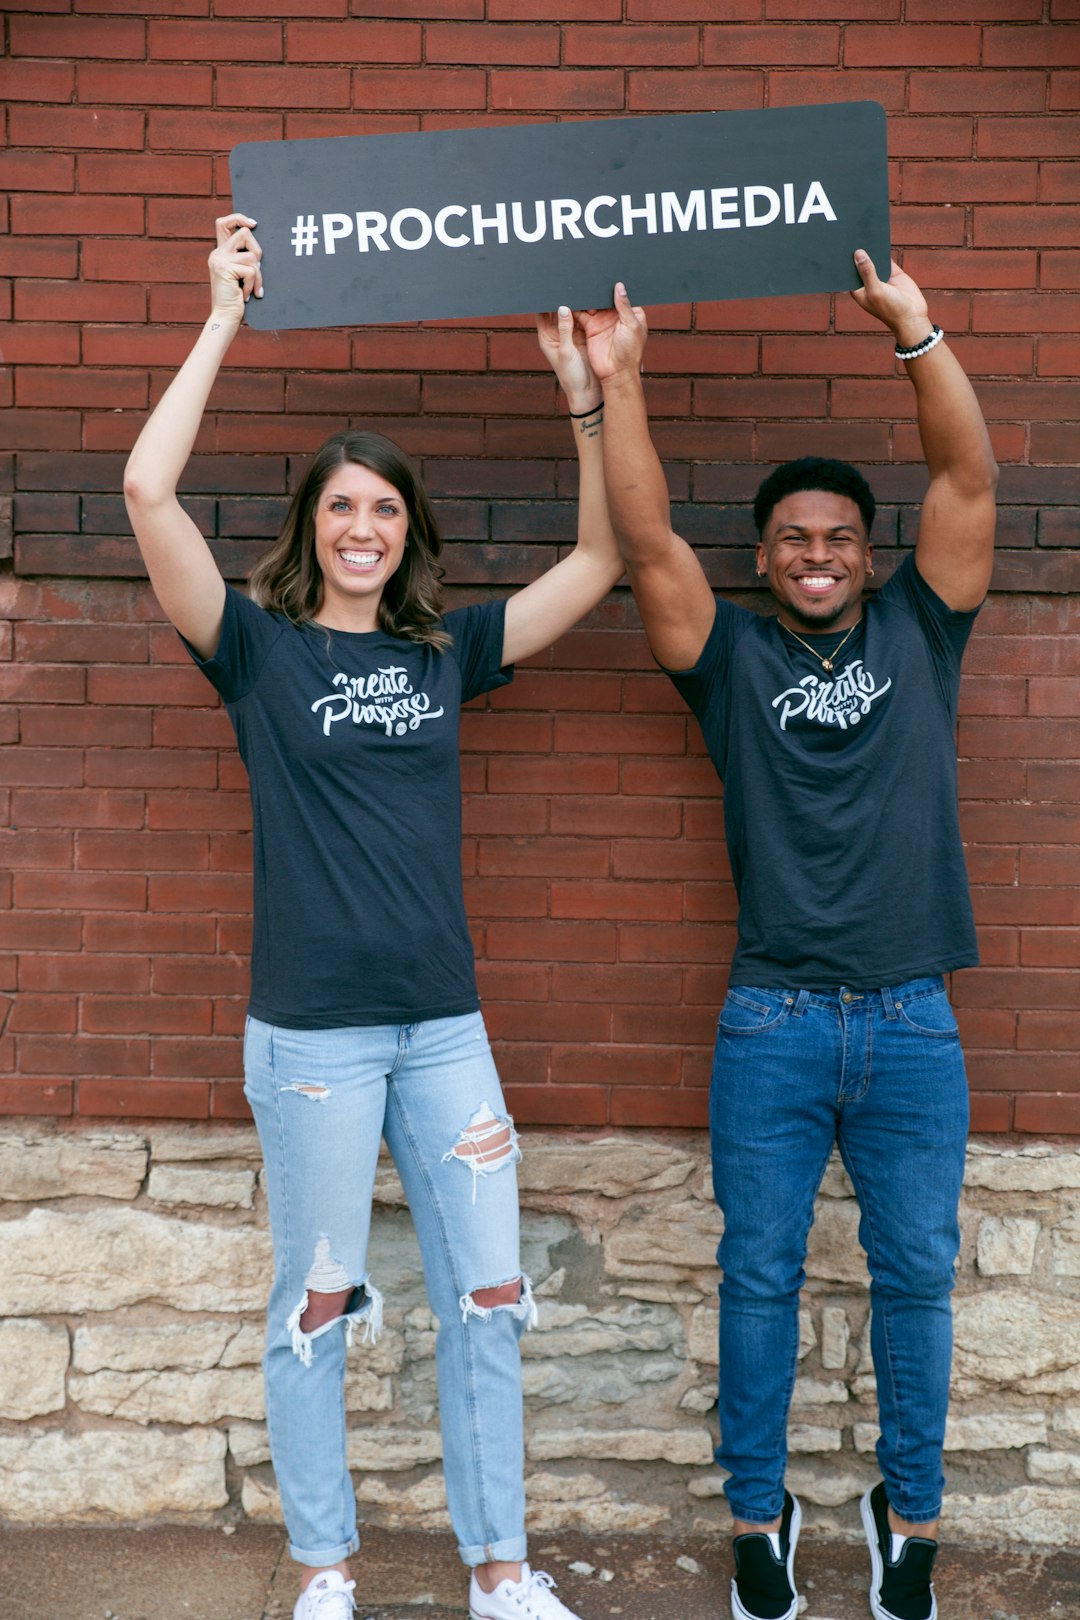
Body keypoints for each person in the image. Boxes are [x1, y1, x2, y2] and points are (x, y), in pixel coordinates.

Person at [124, 213, 622, 1620]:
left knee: (490, 1299)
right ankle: (326, 1569)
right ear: (310, 527)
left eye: (384, 510)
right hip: (316, 1042)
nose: (361, 527)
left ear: (409, 533)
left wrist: (583, 393)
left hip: (444, 1029)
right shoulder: (256, 651)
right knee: (317, 1310)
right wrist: (225, 311)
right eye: (339, 506)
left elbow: (595, 565)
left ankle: (501, 1571)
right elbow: (147, 492)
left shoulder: (445, 650)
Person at [580, 253, 997, 1620]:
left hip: (910, 1022)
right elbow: (645, 545)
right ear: (763, 558)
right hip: (770, 1021)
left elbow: (968, 484)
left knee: (917, 1280)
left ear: (865, 555)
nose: (817, 554)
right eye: (793, 539)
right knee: (755, 1278)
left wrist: (915, 333)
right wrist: (620, 380)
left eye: (838, 537)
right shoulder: (730, 661)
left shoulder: (925, 634)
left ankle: (910, 1520)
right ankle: (758, 1519)